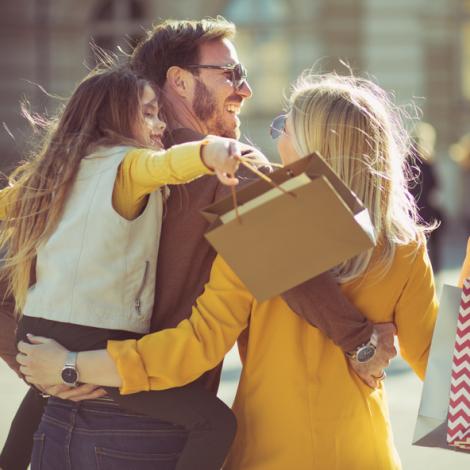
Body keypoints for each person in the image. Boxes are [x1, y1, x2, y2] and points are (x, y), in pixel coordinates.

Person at [1, 17, 395, 470]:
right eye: (231, 74)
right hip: (140, 435)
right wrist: (361, 341)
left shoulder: (79, 170)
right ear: (181, 82)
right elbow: (296, 268)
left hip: (55, 424)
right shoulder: (221, 169)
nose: (244, 90)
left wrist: (45, 369)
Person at [0, 60, 252, 470]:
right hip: (94, 339)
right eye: (148, 114)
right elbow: (165, 165)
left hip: (40, 330)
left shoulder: (56, 172)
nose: (160, 126)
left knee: (44, 397)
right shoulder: (128, 165)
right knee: (214, 421)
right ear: (114, 119)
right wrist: (212, 151)